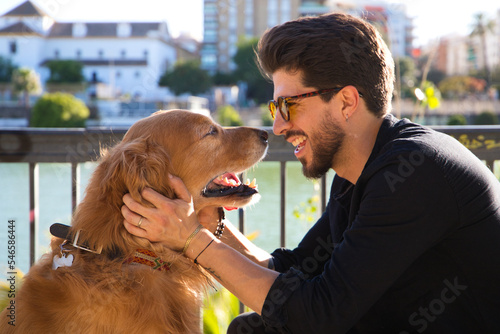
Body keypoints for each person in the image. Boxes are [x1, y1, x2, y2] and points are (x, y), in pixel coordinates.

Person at [121, 13, 500, 333]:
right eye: (275, 108)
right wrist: (207, 224)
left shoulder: (415, 172)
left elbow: (321, 314)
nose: (280, 126)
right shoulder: (359, 171)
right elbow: (293, 269)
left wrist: (192, 241)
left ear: (347, 102)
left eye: (290, 105)